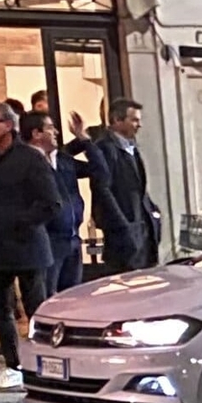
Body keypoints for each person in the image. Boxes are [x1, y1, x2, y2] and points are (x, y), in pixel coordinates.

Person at [0, 101, 66, 375]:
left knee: (37, 308)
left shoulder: (30, 158)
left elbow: (51, 203)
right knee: (0, 309)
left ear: (8, 126)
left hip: (27, 246)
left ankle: (44, 362)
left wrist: (19, 222)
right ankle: (13, 364)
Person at [68, 97, 161, 274]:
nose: (138, 125)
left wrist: (154, 214)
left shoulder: (131, 147)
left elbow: (138, 187)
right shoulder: (105, 147)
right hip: (125, 230)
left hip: (142, 227)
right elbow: (104, 189)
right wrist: (122, 224)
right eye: (133, 120)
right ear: (117, 121)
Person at [29, 114, 83, 290]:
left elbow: (100, 171)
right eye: (50, 127)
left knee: (74, 295)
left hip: (72, 238)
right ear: (36, 134)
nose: (56, 132)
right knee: (50, 295)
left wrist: (84, 140)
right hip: (50, 241)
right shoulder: (28, 162)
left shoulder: (62, 160)